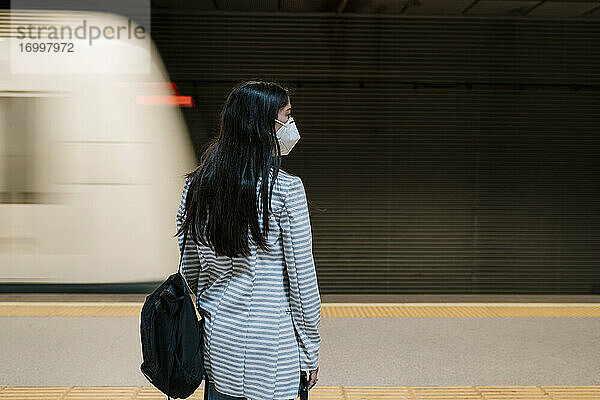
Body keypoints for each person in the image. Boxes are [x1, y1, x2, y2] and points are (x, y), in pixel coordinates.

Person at [175, 80, 321, 400]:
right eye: (286, 116)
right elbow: (302, 280)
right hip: (272, 350)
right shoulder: (284, 189)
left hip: (218, 340)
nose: (291, 125)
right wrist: (310, 348)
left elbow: (189, 267)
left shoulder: (197, 185)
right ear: (264, 125)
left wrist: (213, 304)